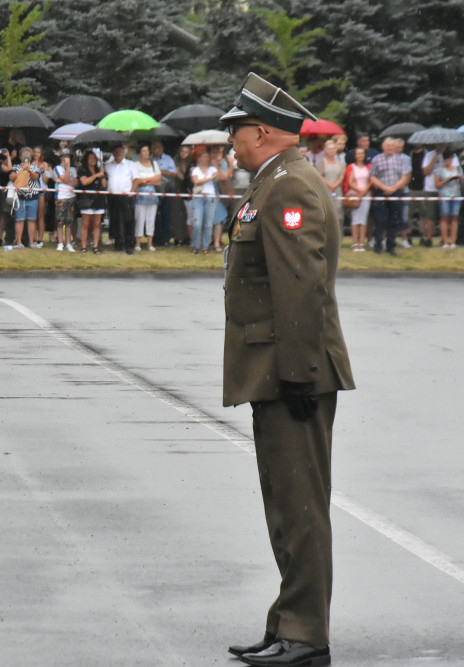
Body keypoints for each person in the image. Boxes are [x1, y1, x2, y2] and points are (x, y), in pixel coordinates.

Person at [220, 72, 355, 667]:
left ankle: (306, 636)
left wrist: (299, 373)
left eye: (236, 130)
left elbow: (300, 287)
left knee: (299, 506)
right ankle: (288, 624)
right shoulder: (275, 181)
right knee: (285, 503)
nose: (231, 141)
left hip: (292, 371)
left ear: (265, 131)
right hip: (279, 368)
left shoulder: (288, 187)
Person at [369, 137, 412, 256]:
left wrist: (394, 188)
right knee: (380, 221)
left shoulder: (401, 160)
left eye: (392, 146)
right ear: (383, 147)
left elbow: (405, 176)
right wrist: (384, 187)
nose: (390, 148)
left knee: (393, 221)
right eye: (388, 146)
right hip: (380, 192)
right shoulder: (377, 159)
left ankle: (391, 247)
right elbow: (372, 176)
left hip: (396, 192)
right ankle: (378, 246)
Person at [104, 144, 137, 253]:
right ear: (113, 153)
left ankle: (129, 245)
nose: (118, 154)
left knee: (128, 220)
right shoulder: (108, 165)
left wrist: (132, 192)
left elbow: (137, 180)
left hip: (126, 196)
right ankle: (118, 244)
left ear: (123, 152)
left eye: (120, 152)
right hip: (113, 196)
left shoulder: (130, 164)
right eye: (116, 152)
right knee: (115, 220)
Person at [12, 147, 43, 248]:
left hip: (32, 196)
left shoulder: (35, 167)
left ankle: (31, 242)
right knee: (19, 219)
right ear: (20, 156)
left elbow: (36, 177)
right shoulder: (16, 167)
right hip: (20, 196)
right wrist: (20, 172)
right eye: (24, 155)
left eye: (28, 155)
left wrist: (29, 169)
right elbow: (12, 177)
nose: (26, 157)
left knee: (31, 219)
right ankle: (19, 242)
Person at [76, 149, 106, 253]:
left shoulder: (99, 170)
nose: (92, 160)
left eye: (94, 158)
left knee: (97, 224)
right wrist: (95, 176)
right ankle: (83, 246)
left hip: (98, 199)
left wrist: (102, 174)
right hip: (87, 199)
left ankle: (95, 245)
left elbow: (104, 185)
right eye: (90, 158)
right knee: (86, 224)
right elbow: (84, 182)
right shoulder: (82, 170)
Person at [132, 144, 161, 251]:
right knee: (139, 219)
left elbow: (158, 179)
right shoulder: (135, 165)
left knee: (151, 219)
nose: (146, 153)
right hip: (140, 197)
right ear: (140, 153)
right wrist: (146, 181)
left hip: (152, 197)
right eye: (144, 151)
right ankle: (138, 243)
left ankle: (150, 243)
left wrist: (145, 180)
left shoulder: (154, 164)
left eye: (147, 150)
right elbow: (137, 181)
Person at [189, 148, 218, 254]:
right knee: (197, 223)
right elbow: (196, 181)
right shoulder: (196, 170)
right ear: (199, 158)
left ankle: (205, 246)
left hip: (210, 197)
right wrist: (209, 178)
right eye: (204, 157)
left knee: (208, 224)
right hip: (198, 197)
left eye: (207, 157)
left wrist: (204, 180)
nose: (206, 159)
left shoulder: (213, 169)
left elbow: (201, 180)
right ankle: (196, 246)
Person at [344, 146, 372, 251]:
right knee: (355, 219)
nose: (360, 156)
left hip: (366, 195)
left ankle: (361, 243)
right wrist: (359, 191)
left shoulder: (368, 167)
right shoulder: (352, 167)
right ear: (355, 156)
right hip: (354, 195)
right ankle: (355, 243)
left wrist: (365, 191)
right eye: (358, 154)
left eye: (362, 153)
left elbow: (370, 180)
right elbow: (350, 181)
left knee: (363, 220)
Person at [433, 148, 462, 248]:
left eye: (451, 159)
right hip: (444, 196)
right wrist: (448, 179)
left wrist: (460, 178)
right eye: (447, 159)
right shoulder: (439, 170)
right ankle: (445, 241)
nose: (449, 161)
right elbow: (437, 185)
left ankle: (453, 241)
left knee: (454, 218)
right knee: (444, 218)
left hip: (456, 195)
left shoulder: (457, 169)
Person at [51, 150, 78, 251]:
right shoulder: (57, 168)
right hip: (61, 196)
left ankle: (68, 243)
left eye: (67, 156)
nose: (66, 158)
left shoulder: (73, 169)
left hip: (71, 196)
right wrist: (67, 169)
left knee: (69, 220)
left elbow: (75, 182)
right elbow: (65, 178)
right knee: (60, 220)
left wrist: (67, 181)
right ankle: (60, 243)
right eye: (64, 156)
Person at [316, 139, 345, 228]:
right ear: (325, 150)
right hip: (326, 191)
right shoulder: (321, 163)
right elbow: (320, 175)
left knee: (338, 213)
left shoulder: (340, 164)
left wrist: (335, 185)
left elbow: (342, 177)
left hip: (337, 192)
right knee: (326, 212)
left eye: (333, 149)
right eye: (329, 149)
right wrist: (329, 185)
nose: (331, 151)